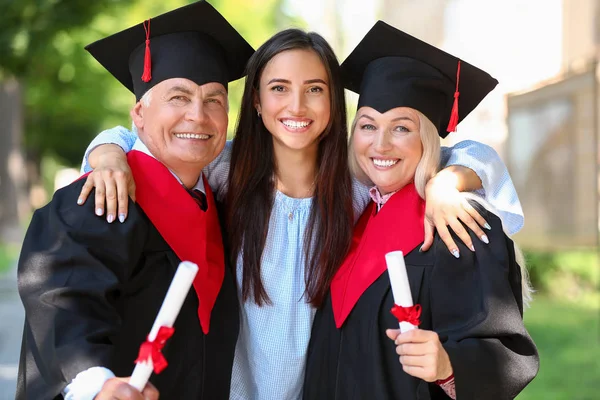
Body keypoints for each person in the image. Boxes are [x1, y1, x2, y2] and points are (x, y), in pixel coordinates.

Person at [75, 27, 525, 400]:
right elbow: (150, 139)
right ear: (255, 101)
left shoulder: (360, 188)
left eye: (315, 90)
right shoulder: (222, 171)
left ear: (333, 106)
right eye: (278, 89)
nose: (296, 106)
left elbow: (456, 153)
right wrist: (108, 152)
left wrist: (450, 180)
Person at [16, 2, 254, 399]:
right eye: (178, 97)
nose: (198, 115)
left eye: (214, 99)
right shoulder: (98, 199)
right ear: (138, 115)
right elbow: (63, 301)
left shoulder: (222, 202)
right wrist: (97, 382)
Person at [303, 21, 539, 400]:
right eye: (367, 125)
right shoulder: (354, 218)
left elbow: (500, 350)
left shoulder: (457, 223)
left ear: (427, 138)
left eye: (401, 128)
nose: (380, 144)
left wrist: (448, 366)